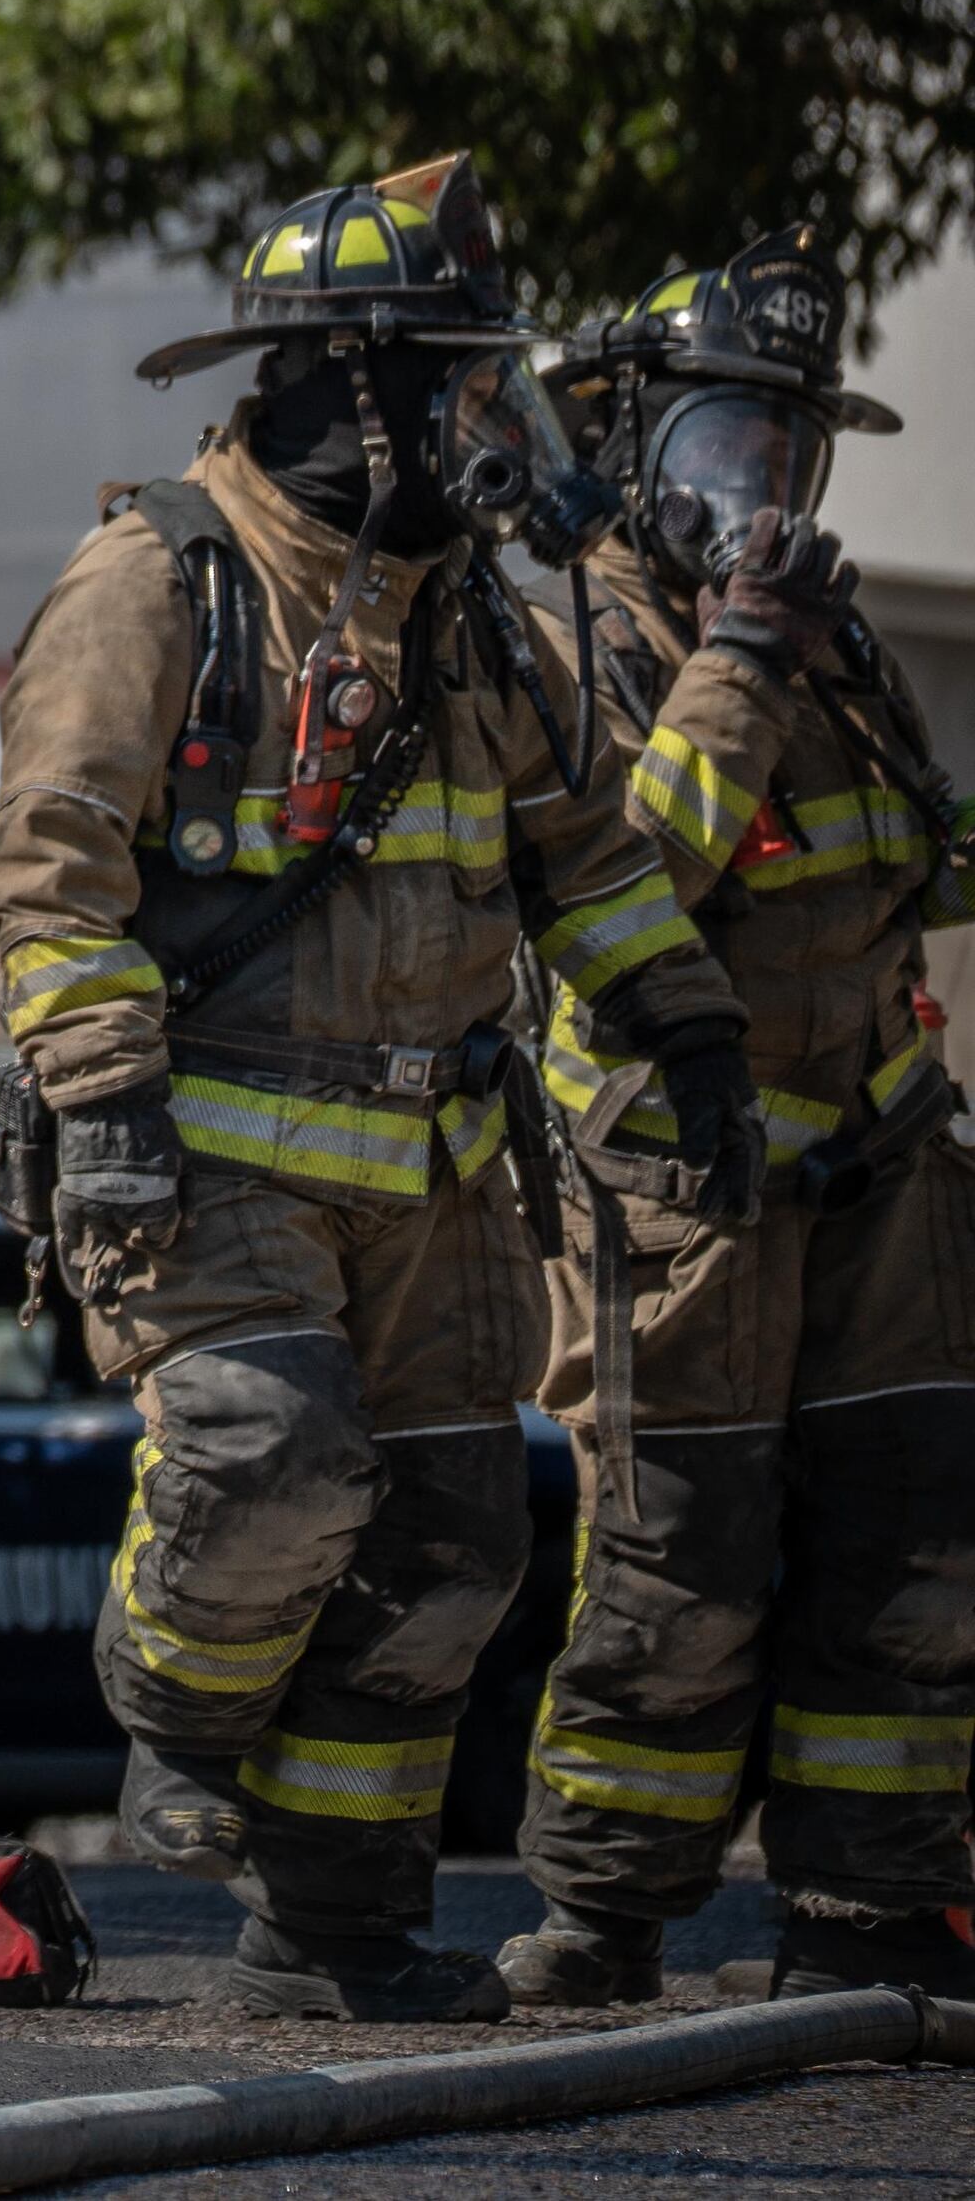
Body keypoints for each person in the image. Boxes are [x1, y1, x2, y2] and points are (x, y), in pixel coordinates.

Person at [0, 158, 754, 2022]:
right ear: (346, 380)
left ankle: (329, 1930)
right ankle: (174, 1710)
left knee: (453, 1548)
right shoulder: (159, 575)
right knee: (263, 1450)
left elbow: (587, 854)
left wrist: (695, 1025)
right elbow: (46, 865)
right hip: (205, 1159)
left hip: (436, 1179)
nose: (496, 421)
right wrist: (102, 1097)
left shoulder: (469, 618)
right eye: (462, 382)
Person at [497, 231, 975, 2007]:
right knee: (679, 1558)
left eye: (787, 459)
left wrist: (794, 650)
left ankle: (868, 1907)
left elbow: (911, 855)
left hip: (885, 1169)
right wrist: (747, 655)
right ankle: (605, 1917)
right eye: (722, 452)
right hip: (687, 1193)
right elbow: (638, 874)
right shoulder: (579, 640)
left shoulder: (834, 648)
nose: (759, 498)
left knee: (913, 1540)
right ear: (630, 446)